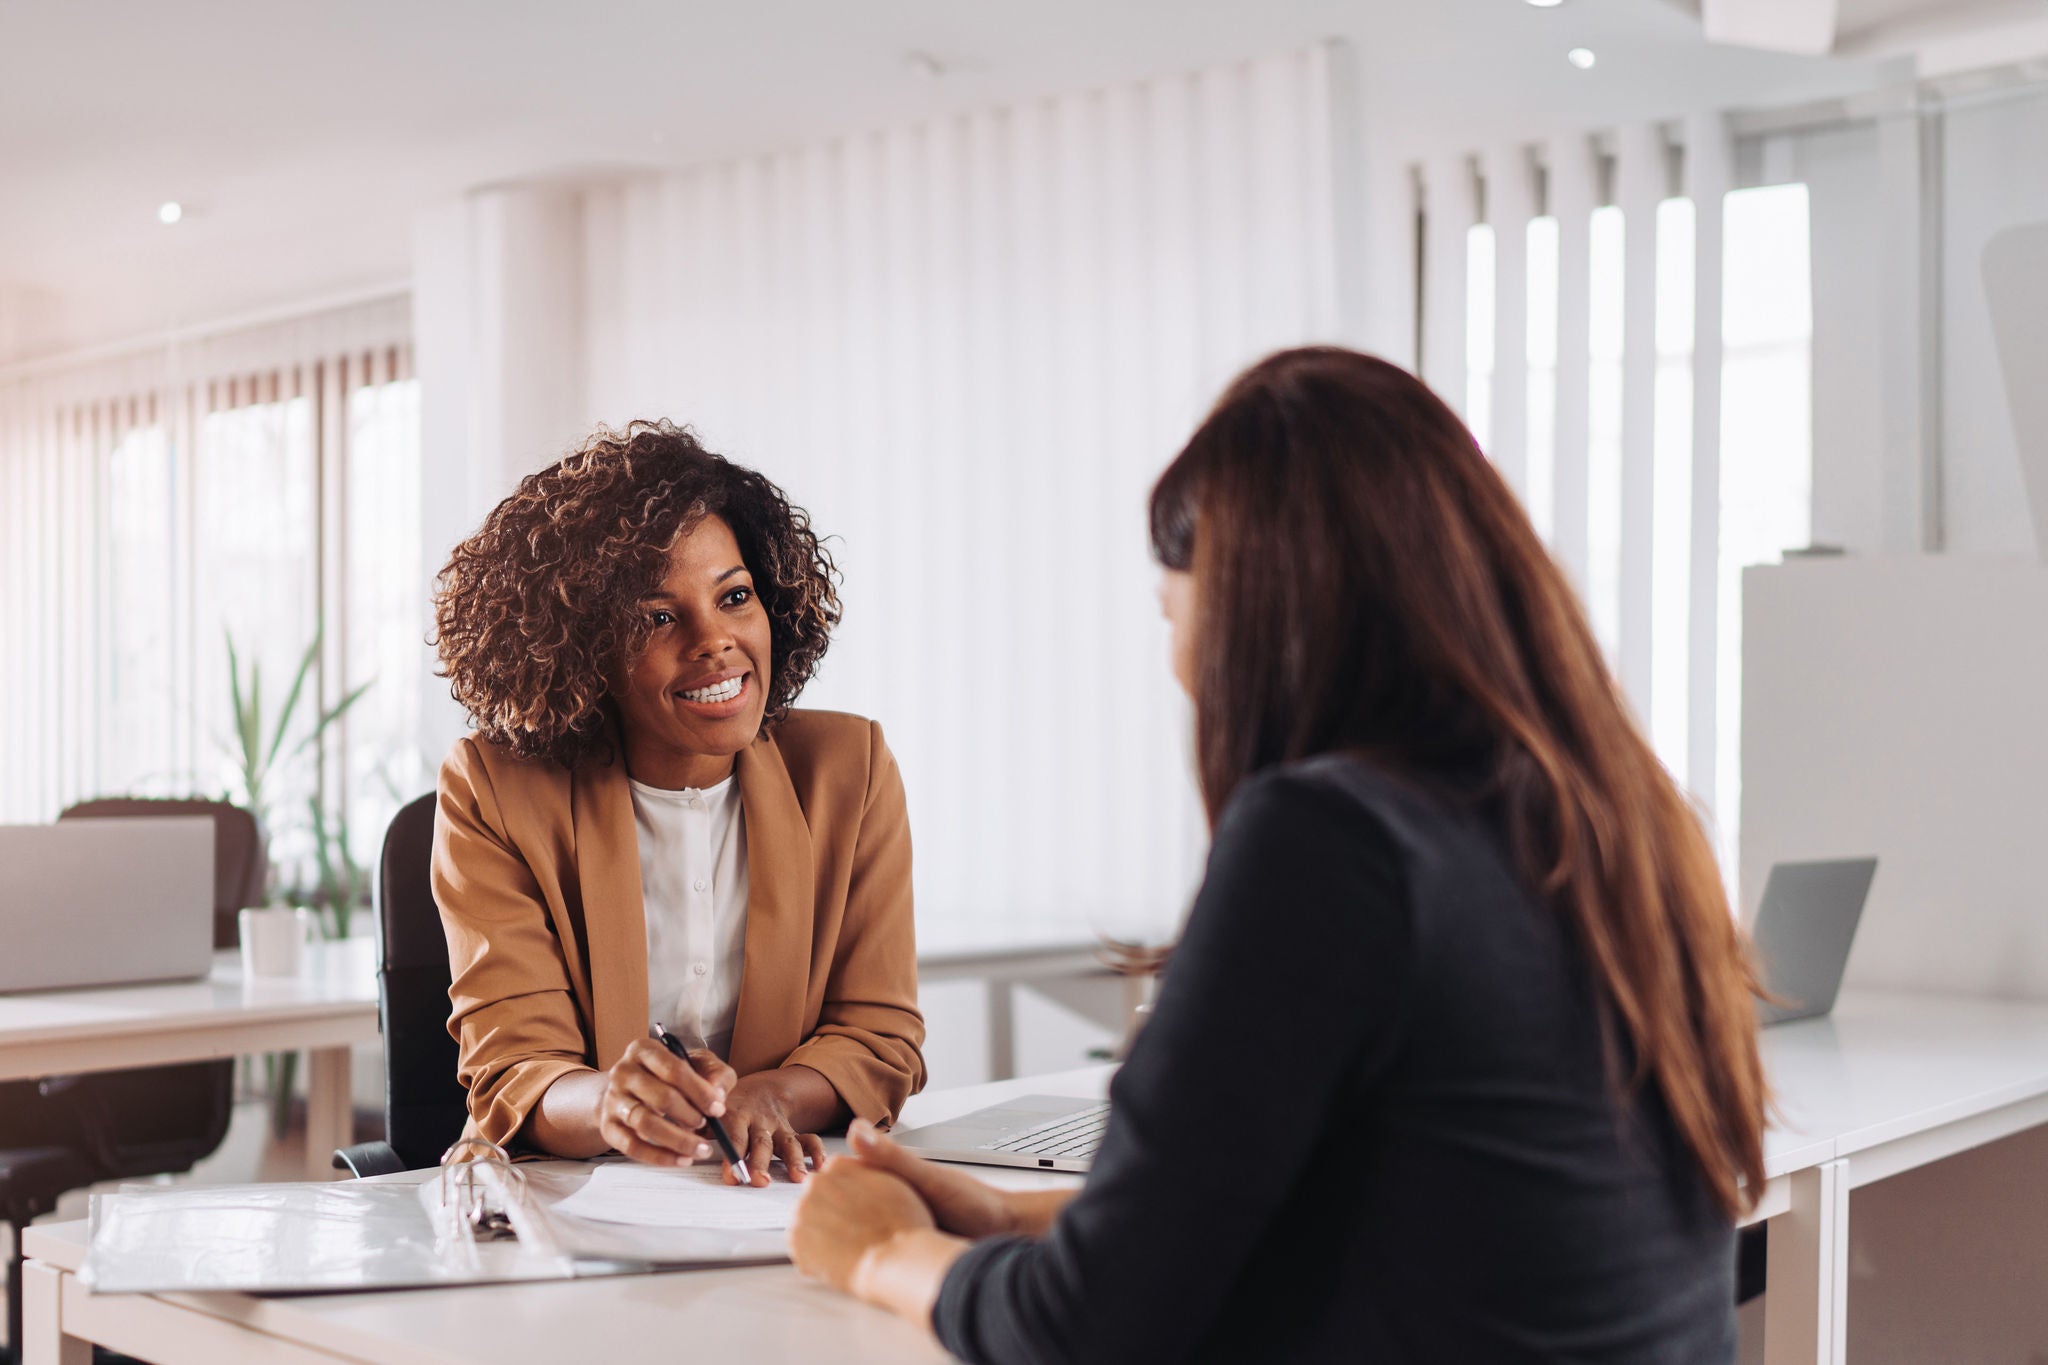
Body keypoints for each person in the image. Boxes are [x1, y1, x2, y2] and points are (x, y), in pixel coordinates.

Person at [790, 348, 1766, 1360]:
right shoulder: (1630, 823)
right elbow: (1399, 1212)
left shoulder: (1332, 842)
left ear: (1254, 612)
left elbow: (1088, 1333)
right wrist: (1005, 1220)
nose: (1178, 673)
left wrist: (881, 1253)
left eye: (1172, 614)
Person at [430, 420, 924, 1186]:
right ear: (584, 646)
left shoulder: (847, 771)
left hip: (772, 1198)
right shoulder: (494, 789)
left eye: (734, 597)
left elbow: (879, 1035)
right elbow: (516, 1066)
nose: (715, 640)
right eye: (658, 617)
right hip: (564, 1208)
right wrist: (609, 1104)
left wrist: (771, 1097)